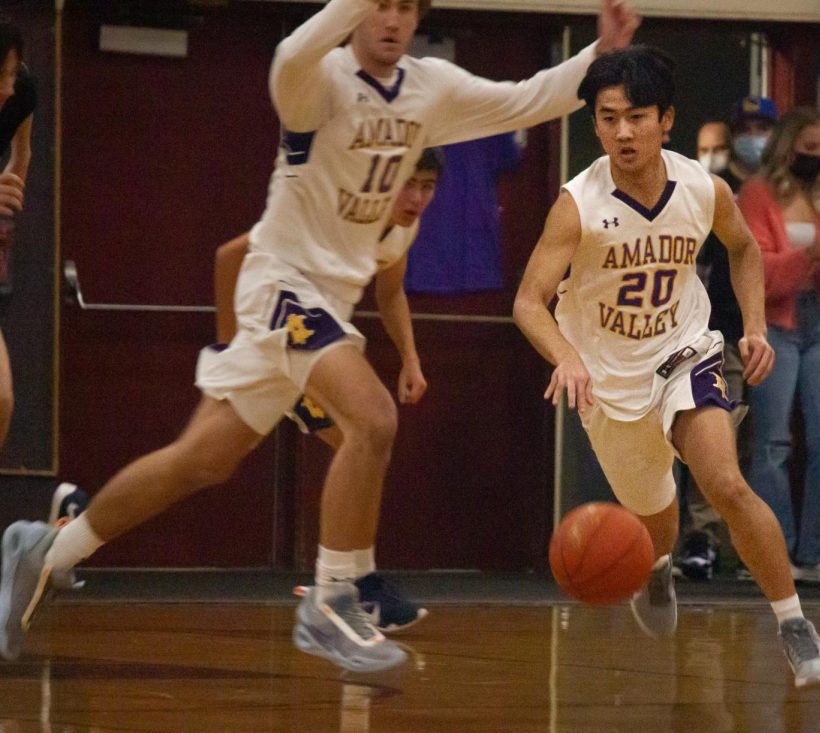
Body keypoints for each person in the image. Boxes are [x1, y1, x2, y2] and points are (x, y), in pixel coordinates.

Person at [0, 0, 640, 671]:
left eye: (403, 8)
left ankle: (47, 548)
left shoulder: (430, 88)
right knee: (373, 419)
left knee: (201, 459)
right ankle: (332, 599)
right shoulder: (319, 79)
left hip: (325, 300)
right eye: (378, 5)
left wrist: (597, 57)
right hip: (281, 284)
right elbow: (290, 56)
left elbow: (525, 99)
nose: (391, 20)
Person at [513, 45, 820, 687]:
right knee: (652, 502)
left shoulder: (701, 187)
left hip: (682, 348)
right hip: (609, 381)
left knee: (724, 481)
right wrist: (567, 356)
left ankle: (794, 625)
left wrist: (751, 328)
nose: (622, 132)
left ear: (666, 119)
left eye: (636, 116)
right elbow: (528, 301)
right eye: (608, 119)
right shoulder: (577, 204)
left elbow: (744, 251)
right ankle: (659, 567)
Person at [214, 149, 443, 631]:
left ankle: (355, 582)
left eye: (427, 185)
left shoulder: (403, 229)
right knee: (363, 432)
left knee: (361, 441)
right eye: (409, 183)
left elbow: (390, 291)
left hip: (310, 341)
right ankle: (341, 585)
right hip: (275, 334)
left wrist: (411, 356)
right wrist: (226, 348)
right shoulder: (336, 211)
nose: (418, 197)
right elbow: (230, 257)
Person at [738, 107, 820, 585]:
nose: (814, 156)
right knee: (772, 444)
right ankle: (775, 551)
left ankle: (816, 551)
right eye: (807, 148)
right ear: (786, 147)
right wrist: (808, 255)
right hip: (774, 323)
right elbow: (756, 270)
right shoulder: (756, 194)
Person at [677, 119, 746, 581]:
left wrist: (753, 328)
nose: (712, 155)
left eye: (719, 147)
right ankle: (692, 543)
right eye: (704, 148)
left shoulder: (740, 197)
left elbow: (748, 254)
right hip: (673, 339)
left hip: (729, 334)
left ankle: (735, 548)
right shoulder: (681, 196)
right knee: (673, 445)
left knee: (727, 442)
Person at [0, 20, 32, 449]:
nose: (7, 88)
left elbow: (21, 156)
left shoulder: (20, 94)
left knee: (1, 399)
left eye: (12, 73)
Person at [729, 96, 778, 186]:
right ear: (733, 136)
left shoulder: (787, 183)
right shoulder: (718, 184)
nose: (753, 135)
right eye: (744, 129)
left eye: (763, 128)